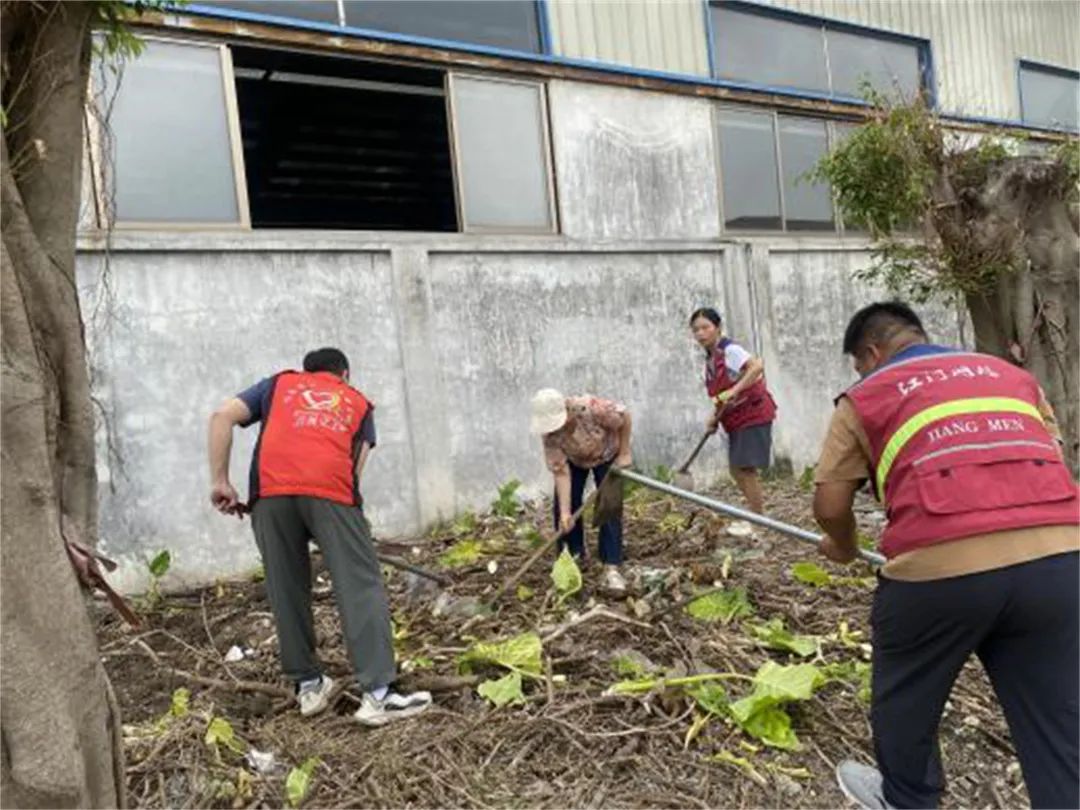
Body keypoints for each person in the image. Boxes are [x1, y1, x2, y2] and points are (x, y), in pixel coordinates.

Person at [812, 302, 1079, 809]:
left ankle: (908, 798)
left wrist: (843, 548)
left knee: (906, 697)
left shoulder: (866, 394)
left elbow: (829, 504)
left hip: (939, 567)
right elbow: (1050, 457)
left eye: (859, 364)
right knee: (1059, 720)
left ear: (871, 352)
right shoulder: (1011, 376)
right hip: (1060, 559)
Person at [207, 347, 431, 726]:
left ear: (306, 371)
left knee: (286, 586)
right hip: (331, 492)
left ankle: (309, 686)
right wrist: (337, 523)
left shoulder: (278, 385)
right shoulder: (357, 402)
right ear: (344, 373)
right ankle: (378, 694)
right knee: (359, 584)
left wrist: (220, 481)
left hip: (271, 495)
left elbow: (221, 417)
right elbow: (354, 469)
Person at [530, 389, 632, 592]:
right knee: (563, 510)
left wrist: (624, 452)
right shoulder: (550, 436)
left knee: (609, 505)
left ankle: (611, 564)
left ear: (567, 410)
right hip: (575, 460)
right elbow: (560, 472)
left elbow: (625, 416)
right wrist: (567, 513)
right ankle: (572, 558)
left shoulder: (591, 408)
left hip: (607, 453)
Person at [689, 307, 777, 513]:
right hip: (736, 418)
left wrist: (735, 390)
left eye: (705, 327)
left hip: (753, 412)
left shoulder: (729, 350)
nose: (700, 333)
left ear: (718, 328)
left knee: (744, 469)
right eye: (696, 330)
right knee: (736, 470)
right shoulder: (710, 359)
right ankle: (756, 513)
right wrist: (713, 418)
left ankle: (759, 519)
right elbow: (720, 394)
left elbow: (756, 367)